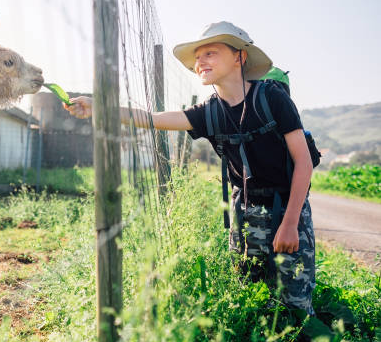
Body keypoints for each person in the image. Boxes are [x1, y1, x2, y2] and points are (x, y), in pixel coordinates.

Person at [64, 21, 315, 316]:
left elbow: (304, 162)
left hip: (288, 207)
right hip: (244, 209)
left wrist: (289, 223)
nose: (200, 62)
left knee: (295, 306)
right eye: (197, 57)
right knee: (251, 298)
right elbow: (151, 118)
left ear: (239, 57)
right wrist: (99, 107)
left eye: (210, 53)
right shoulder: (209, 111)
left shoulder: (272, 98)